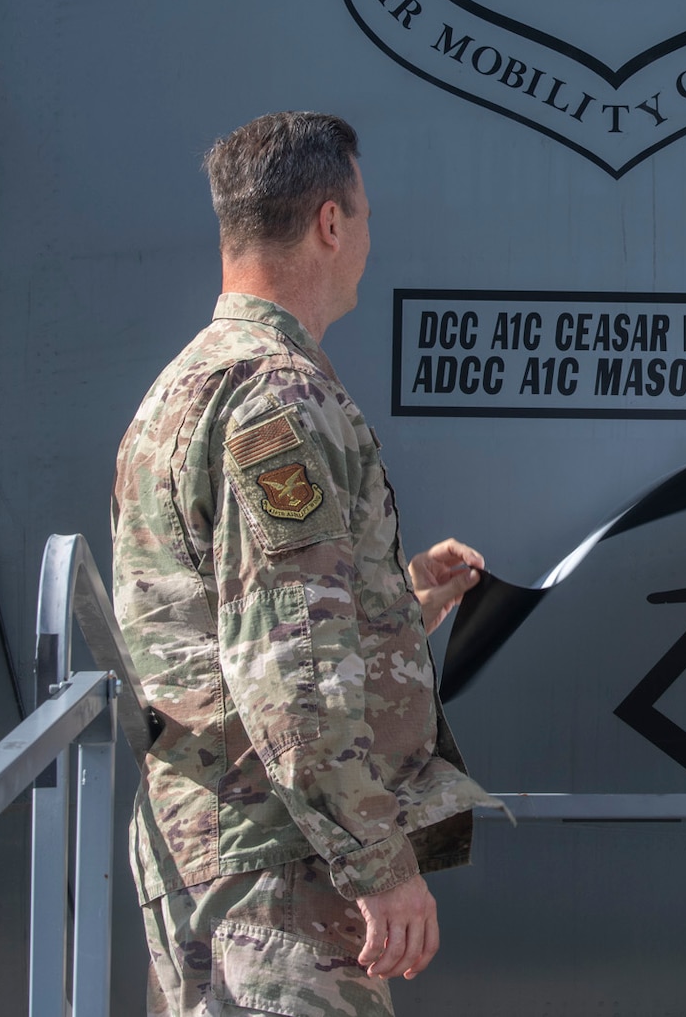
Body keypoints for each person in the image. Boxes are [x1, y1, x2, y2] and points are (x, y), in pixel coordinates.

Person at [112, 111, 496, 1017]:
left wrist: (393, 605)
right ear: (331, 221)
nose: (366, 238)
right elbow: (292, 662)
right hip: (281, 869)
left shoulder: (181, 389)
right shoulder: (279, 391)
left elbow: (227, 623)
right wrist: (376, 859)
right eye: (362, 216)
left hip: (207, 845)